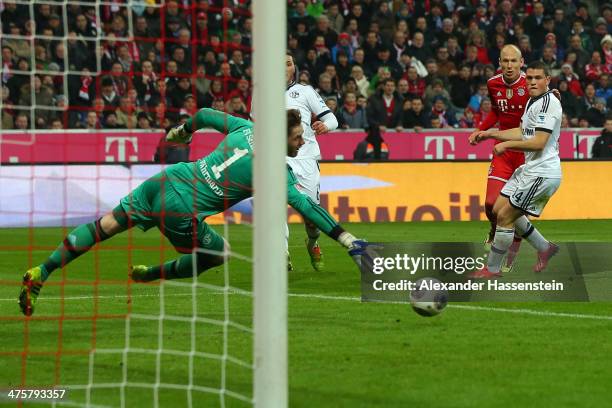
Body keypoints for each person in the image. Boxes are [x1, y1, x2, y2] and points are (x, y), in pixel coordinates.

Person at [18, 109, 365, 316]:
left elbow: (204, 115)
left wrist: (183, 131)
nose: (302, 141)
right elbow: (305, 205)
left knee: (103, 225)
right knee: (219, 254)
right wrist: (346, 238)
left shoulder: (246, 128)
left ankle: (41, 271)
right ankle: (151, 275)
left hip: (168, 179)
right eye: (296, 137)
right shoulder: (276, 170)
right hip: (182, 209)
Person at [468, 61, 562, 278]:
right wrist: (490, 134)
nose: (532, 82)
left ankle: (491, 269)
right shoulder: (534, 101)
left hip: (542, 173)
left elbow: (538, 142)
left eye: (538, 78)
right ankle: (545, 248)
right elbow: (522, 132)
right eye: (529, 78)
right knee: (499, 208)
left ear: (548, 80)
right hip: (530, 169)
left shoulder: (549, 104)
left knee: (505, 218)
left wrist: (505, 145)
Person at [468, 45, 530, 272]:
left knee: (514, 208)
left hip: (526, 151)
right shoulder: (493, 83)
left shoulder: (530, 85)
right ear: (500, 62)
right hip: (503, 150)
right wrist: (480, 130)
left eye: (514, 61)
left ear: (521, 62)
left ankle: (514, 246)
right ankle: (495, 231)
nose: (509, 65)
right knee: (490, 204)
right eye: (505, 61)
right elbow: (496, 111)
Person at [285, 52, 338, 272]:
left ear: (293, 68)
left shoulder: (305, 91)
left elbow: (331, 118)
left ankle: (313, 242)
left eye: (288, 63)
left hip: (305, 158)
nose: (284, 67)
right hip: (276, 158)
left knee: (311, 218)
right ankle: (282, 254)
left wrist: (326, 126)